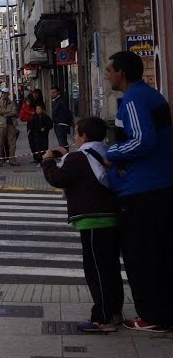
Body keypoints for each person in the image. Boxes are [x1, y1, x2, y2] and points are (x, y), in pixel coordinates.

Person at [103, 51, 173, 331]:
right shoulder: (149, 95)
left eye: (109, 69)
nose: (107, 74)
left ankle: (151, 315)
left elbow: (142, 140)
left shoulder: (133, 99)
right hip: (159, 184)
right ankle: (163, 311)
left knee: (140, 254)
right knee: (161, 253)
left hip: (144, 188)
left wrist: (114, 153)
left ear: (121, 72)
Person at [41, 117, 122, 333]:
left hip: (93, 219)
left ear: (84, 136)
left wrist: (48, 160)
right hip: (113, 216)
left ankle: (102, 319)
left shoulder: (78, 158)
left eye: (76, 133)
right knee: (110, 268)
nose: (74, 137)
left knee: (96, 270)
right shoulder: (105, 151)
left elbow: (58, 178)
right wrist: (67, 156)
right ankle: (114, 312)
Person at [0, 89, 19, 166]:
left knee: (12, 144)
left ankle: (12, 160)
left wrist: (6, 114)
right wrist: (9, 111)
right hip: (1, 125)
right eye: (3, 93)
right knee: (0, 144)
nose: (4, 95)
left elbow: (15, 112)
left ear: (8, 94)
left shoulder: (12, 102)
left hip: (11, 125)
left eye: (5, 93)